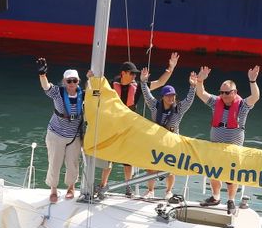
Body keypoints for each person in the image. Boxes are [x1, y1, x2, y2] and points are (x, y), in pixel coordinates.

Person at [97, 53, 178, 197]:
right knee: (109, 157)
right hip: (113, 126)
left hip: (129, 128)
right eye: (132, 73)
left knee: (128, 159)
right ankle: (102, 184)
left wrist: (170, 68)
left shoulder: (138, 87)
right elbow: (94, 91)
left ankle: (128, 187)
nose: (134, 76)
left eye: (135, 74)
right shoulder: (110, 85)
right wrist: (91, 78)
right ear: (123, 73)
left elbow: (160, 82)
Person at [193, 65, 261, 210]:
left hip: (233, 149)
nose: (223, 95)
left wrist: (252, 81)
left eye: (227, 92)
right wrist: (200, 81)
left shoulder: (242, 105)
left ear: (234, 92)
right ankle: (215, 197)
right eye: (221, 92)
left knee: (231, 176)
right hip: (216, 146)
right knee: (213, 173)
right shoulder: (215, 102)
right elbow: (201, 93)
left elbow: (255, 97)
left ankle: (231, 200)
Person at [141, 70, 198, 202]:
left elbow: (189, 100)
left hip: (172, 143)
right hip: (156, 142)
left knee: (170, 169)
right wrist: (143, 81)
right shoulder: (155, 106)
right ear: (162, 97)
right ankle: (150, 190)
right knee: (151, 167)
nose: (171, 98)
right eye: (168, 96)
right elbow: (147, 94)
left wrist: (193, 86)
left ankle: (168, 191)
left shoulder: (178, 108)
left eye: (173, 95)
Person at [37, 57, 83, 203]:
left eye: (74, 80)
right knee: (54, 163)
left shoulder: (84, 95)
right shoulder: (57, 92)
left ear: (78, 81)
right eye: (69, 81)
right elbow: (46, 87)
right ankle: (53, 189)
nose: (72, 83)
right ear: (64, 81)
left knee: (73, 163)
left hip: (74, 136)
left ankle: (71, 187)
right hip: (56, 134)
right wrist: (42, 74)